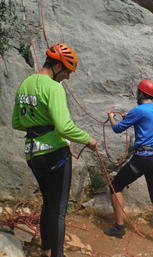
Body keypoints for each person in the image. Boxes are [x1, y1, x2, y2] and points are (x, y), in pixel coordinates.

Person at [11, 43, 97, 257]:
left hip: (33, 154)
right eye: (67, 70)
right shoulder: (53, 87)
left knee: (49, 204)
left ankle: (45, 251)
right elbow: (64, 127)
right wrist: (89, 140)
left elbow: (17, 122)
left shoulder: (25, 84)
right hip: (54, 154)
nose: (67, 76)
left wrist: (38, 124)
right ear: (57, 65)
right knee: (58, 210)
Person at [104, 79, 153, 244]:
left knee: (115, 186)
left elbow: (117, 129)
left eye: (137, 92)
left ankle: (119, 227)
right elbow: (145, 124)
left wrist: (111, 118)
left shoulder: (138, 110)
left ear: (141, 93)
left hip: (142, 159)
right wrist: (129, 118)